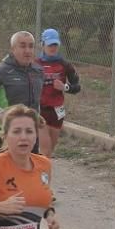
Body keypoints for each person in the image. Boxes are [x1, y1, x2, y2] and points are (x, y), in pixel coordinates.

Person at [0, 31, 44, 158]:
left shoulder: (38, 71)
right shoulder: (0, 72)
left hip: (29, 132)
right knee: (0, 175)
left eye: (31, 46)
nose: (28, 50)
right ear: (13, 49)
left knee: (29, 173)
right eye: (22, 46)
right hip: (4, 132)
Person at [36, 28, 82, 158]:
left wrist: (65, 87)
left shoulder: (65, 65)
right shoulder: (35, 64)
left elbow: (77, 87)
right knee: (46, 151)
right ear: (42, 44)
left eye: (55, 44)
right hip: (40, 110)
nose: (53, 48)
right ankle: (41, 176)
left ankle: (38, 172)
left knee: (50, 151)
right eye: (50, 44)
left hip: (57, 112)